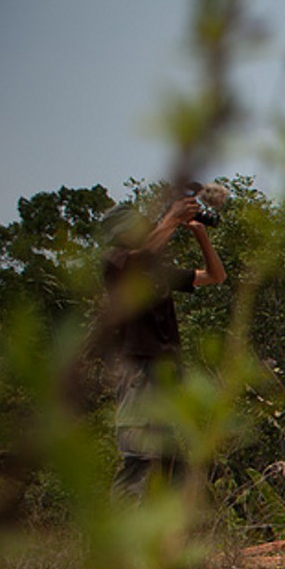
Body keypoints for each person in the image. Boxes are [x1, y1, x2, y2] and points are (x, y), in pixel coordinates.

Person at [101, 191, 226, 496]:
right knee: (140, 460)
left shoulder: (156, 272)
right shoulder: (115, 260)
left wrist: (200, 234)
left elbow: (215, 276)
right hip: (139, 369)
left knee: (172, 462)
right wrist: (172, 217)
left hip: (167, 371)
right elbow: (142, 257)